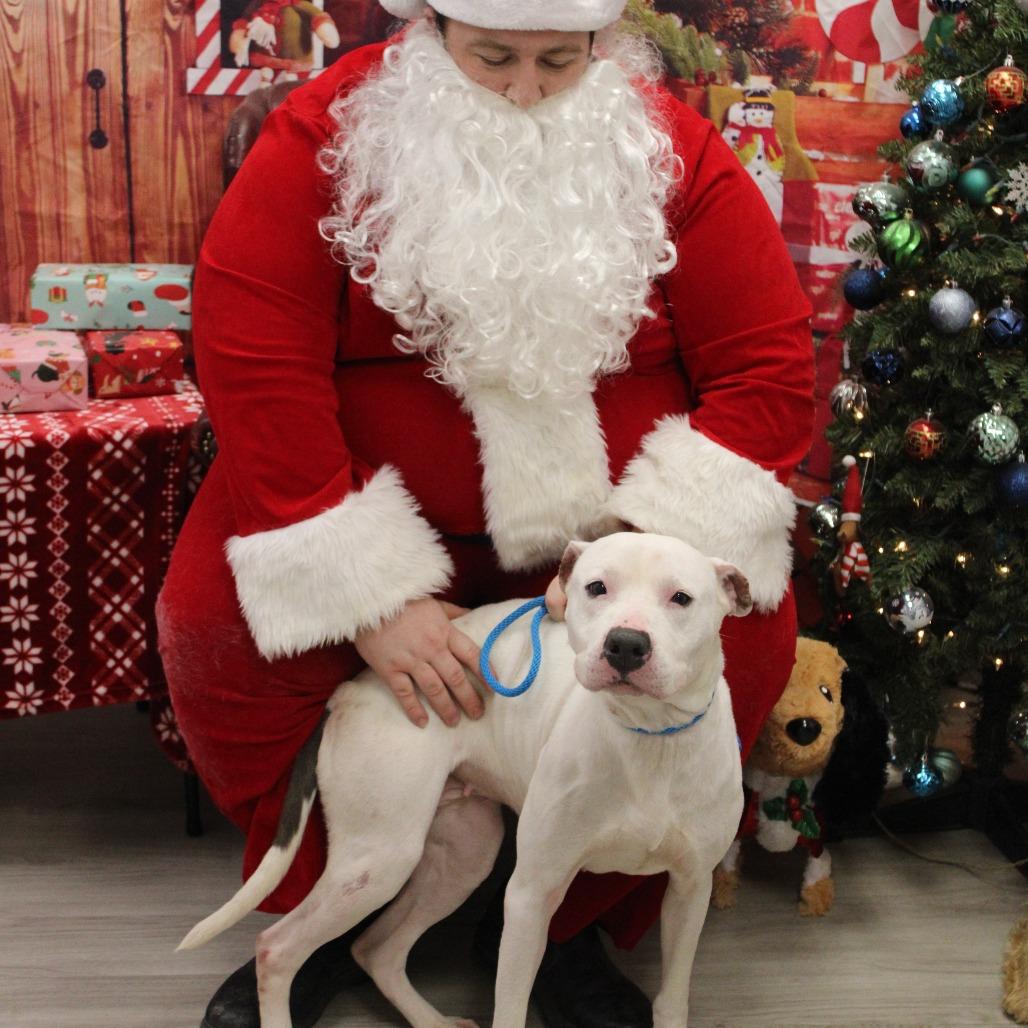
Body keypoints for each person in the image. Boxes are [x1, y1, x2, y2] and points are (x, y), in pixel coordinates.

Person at [156, 2, 815, 1026]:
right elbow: (253, 352)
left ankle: (567, 918)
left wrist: (628, 555)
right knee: (218, 622)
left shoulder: (669, 147)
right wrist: (365, 590)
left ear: (599, 44)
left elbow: (768, 366)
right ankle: (331, 913)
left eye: (558, 59)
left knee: (749, 634)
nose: (523, 87)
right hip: (359, 490)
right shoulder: (328, 133)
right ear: (431, 31)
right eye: (492, 57)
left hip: (614, 518)